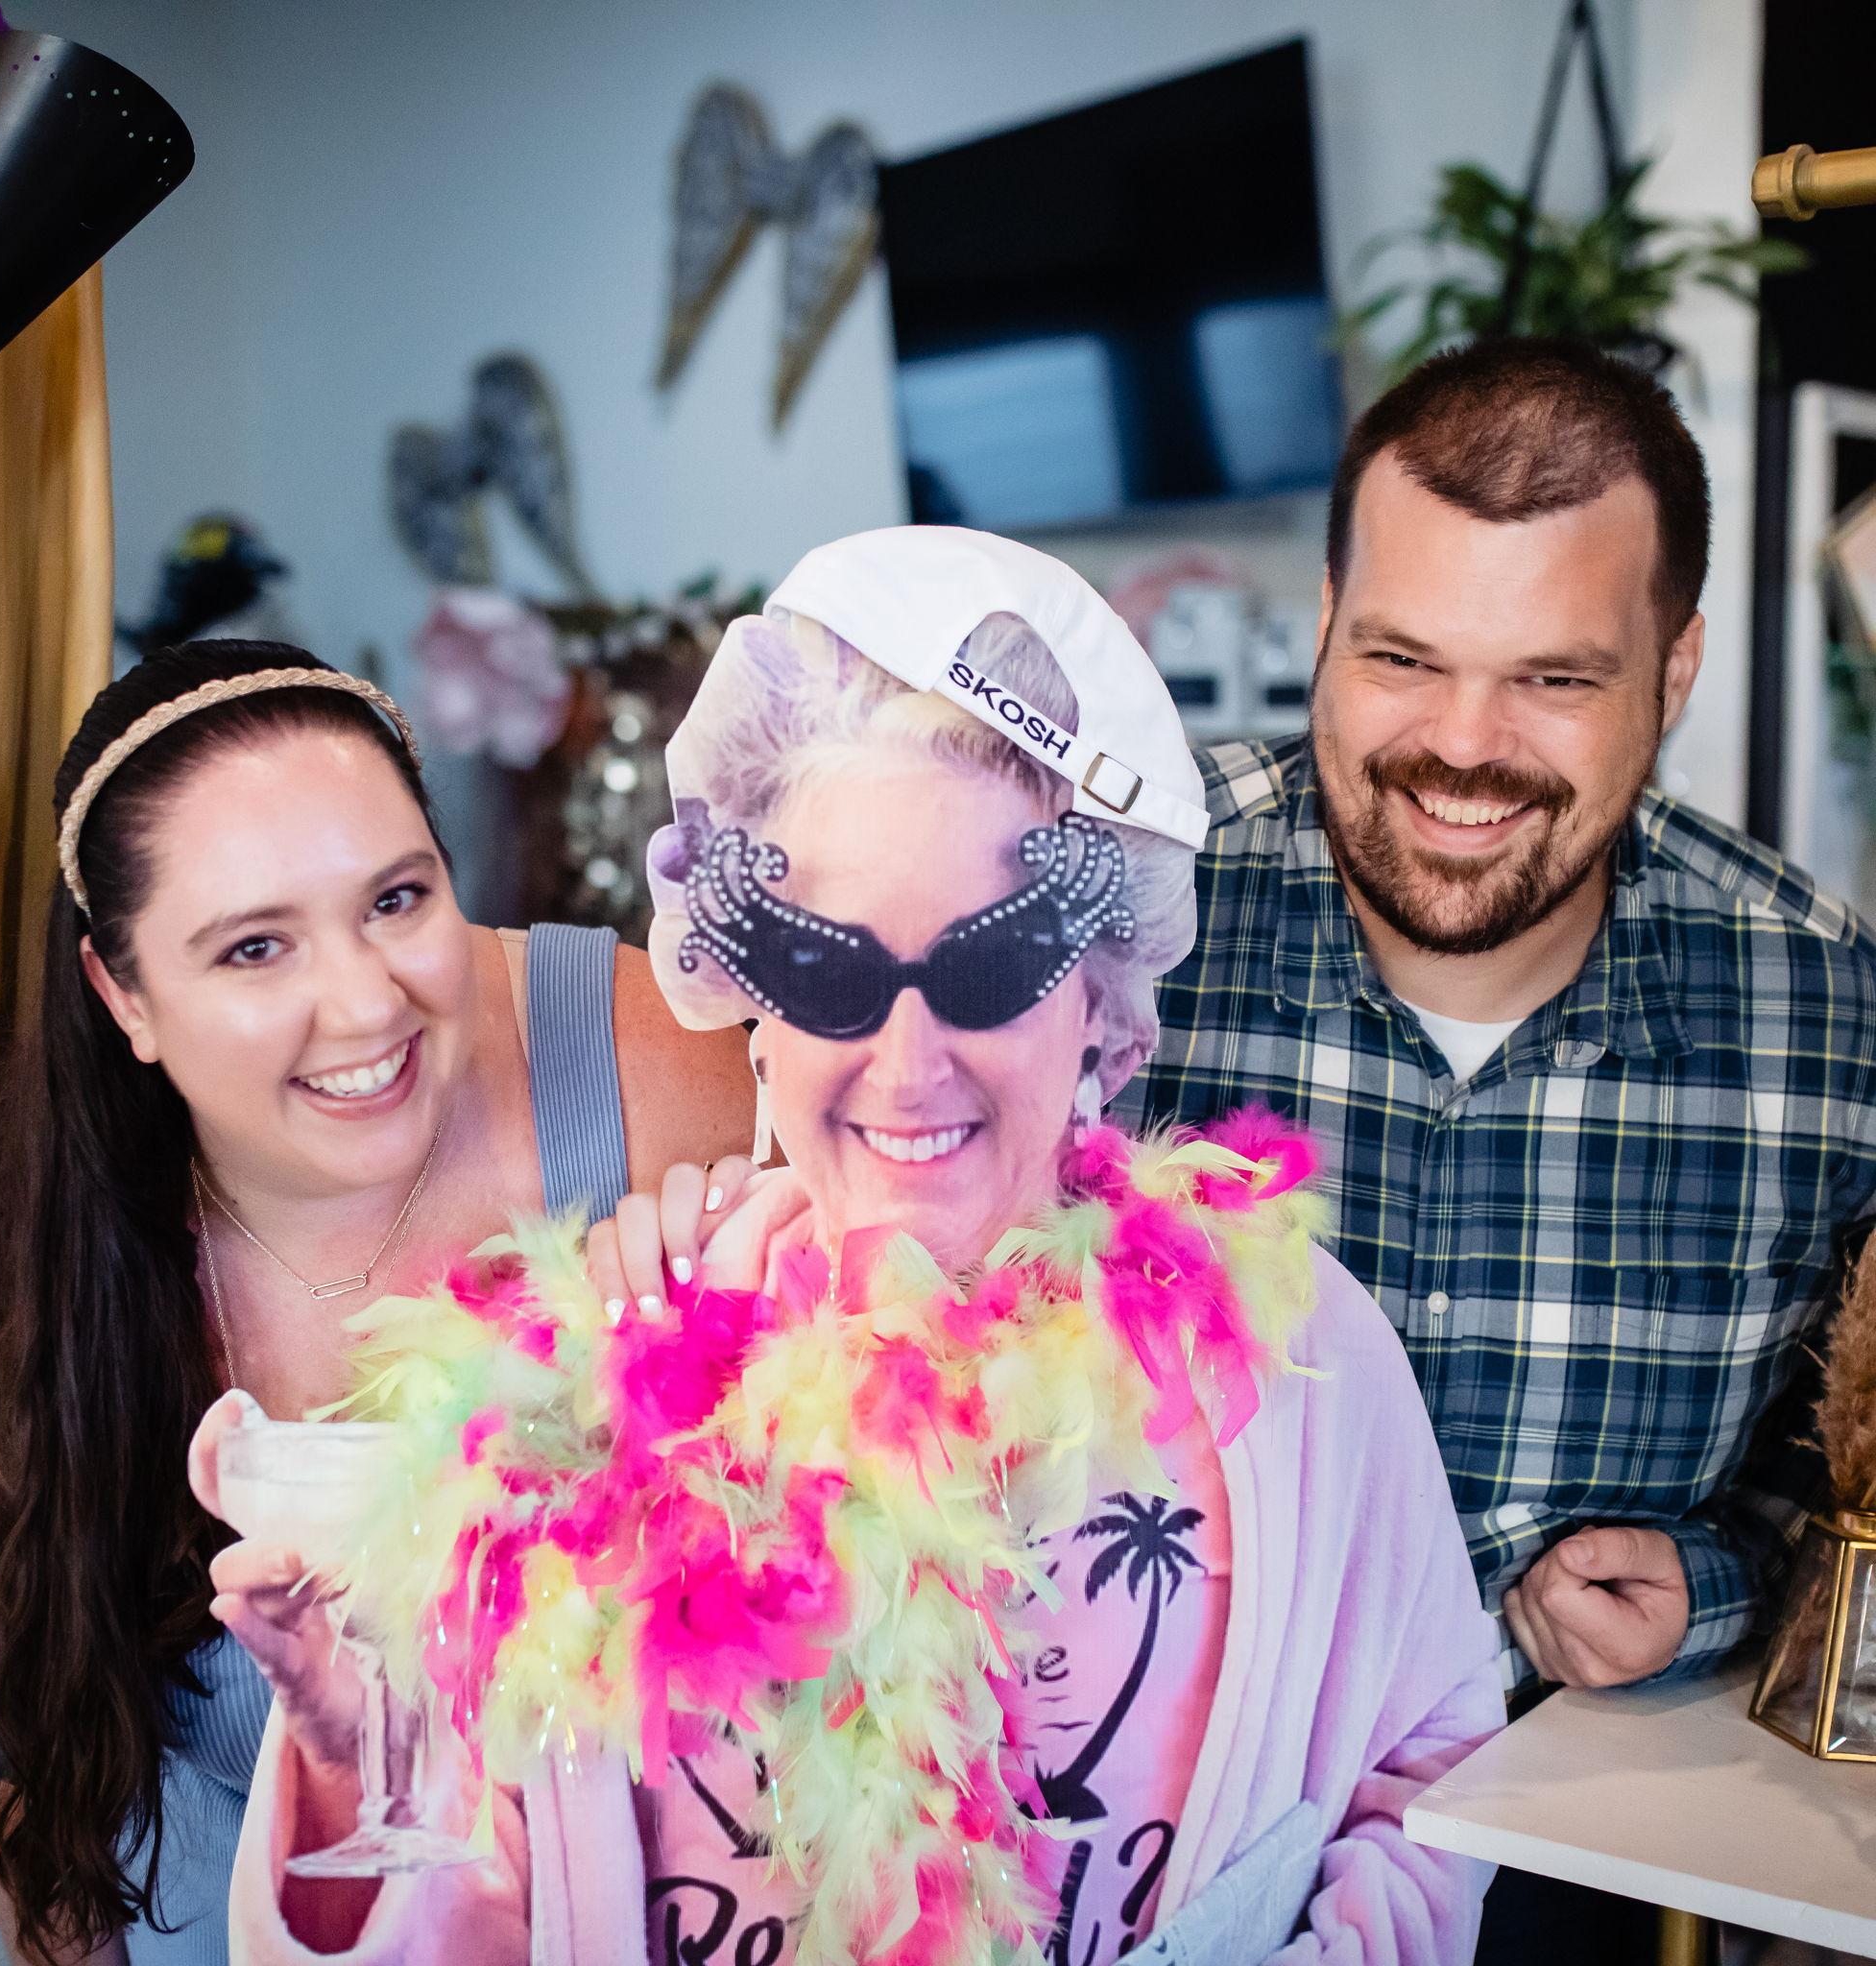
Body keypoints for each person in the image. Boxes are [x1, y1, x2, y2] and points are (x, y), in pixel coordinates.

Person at [201, 528, 1503, 1966]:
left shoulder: (1291, 1355)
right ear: (751, 1006)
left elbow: (1430, 1773)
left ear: (1105, 1002)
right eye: (828, 971)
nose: (907, 1063)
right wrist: (349, 1762)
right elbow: (467, 1917)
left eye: (991, 965)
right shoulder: (590, 1398)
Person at [1119, 338, 1876, 1958]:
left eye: (1555, 679)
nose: (1461, 744)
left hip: (1566, 1873)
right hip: (1115, 1832)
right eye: (1402, 657)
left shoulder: (1829, 1015)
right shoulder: (1111, 912)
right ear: (1327, 620)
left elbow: (1837, 1479)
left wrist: (1715, 1581)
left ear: (1673, 672)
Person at [0, 640, 753, 1966]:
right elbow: (38, 1813)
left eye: (397, 899)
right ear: (124, 996)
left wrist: (733, 1309)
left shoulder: (661, 1067)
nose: (365, 1006)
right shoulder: (43, 1252)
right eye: (255, 948)